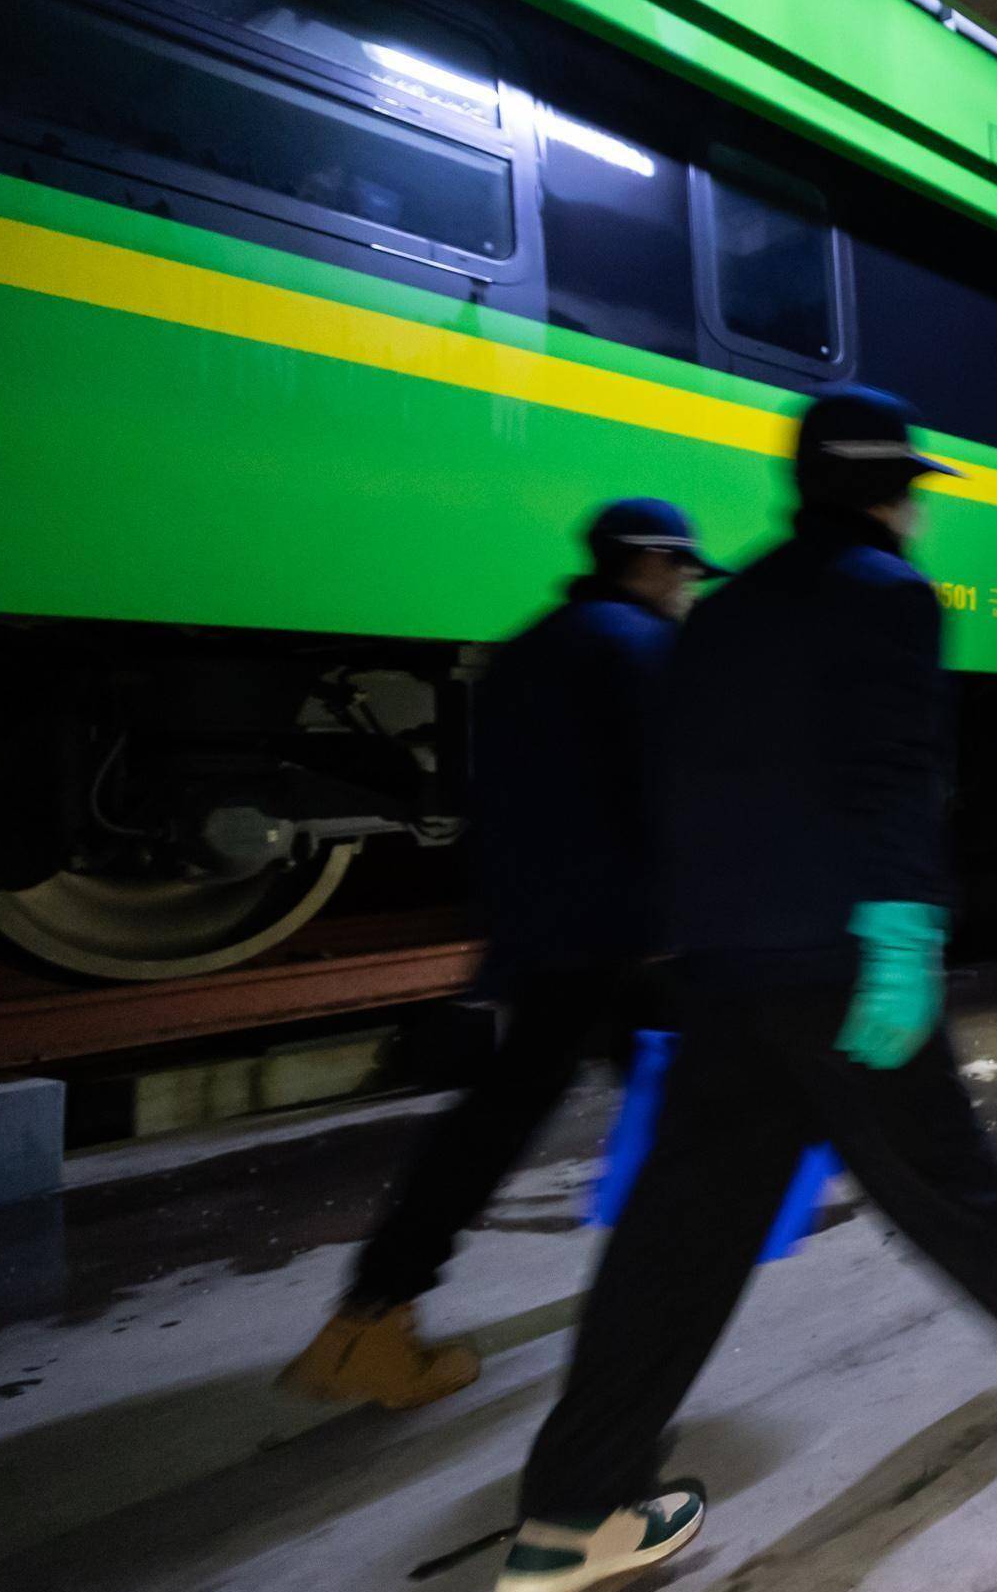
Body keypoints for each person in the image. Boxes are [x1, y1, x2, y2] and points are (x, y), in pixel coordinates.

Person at [494, 388, 997, 1592]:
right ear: (893, 490)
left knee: (676, 1238)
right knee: (932, 1158)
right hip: (840, 949)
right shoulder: (890, 593)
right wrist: (904, 931)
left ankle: (568, 1515)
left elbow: (673, 780)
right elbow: (897, 773)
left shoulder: (724, 608)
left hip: (723, 963)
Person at [279, 498, 724, 1410]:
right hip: (622, 933)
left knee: (506, 1111)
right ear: (645, 563)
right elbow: (671, 790)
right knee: (725, 1086)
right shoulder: (637, 647)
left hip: (543, 928)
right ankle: (651, 1293)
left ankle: (370, 1314)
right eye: (680, 570)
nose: (685, 588)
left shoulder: (532, 646)